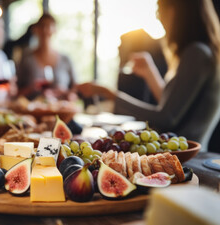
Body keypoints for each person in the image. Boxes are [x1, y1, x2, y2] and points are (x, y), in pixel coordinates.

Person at [77, 0, 220, 150]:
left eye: (159, 10)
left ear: (175, 11)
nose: (158, 18)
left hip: (184, 155)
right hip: (179, 152)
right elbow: (172, 105)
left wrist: (109, 93)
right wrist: (149, 72)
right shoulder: (202, 52)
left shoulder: (196, 53)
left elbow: (166, 118)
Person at [17, 13, 77, 100]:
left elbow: (75, 91)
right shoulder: (26, 58)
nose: (45, 30)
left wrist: (65, 93)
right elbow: (16, 92)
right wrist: (31, 89)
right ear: (35, 29)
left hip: (61, 110)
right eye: (42, 26)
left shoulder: (66, 59)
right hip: (32, 111)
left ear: (55, 29)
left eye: (49, 26)